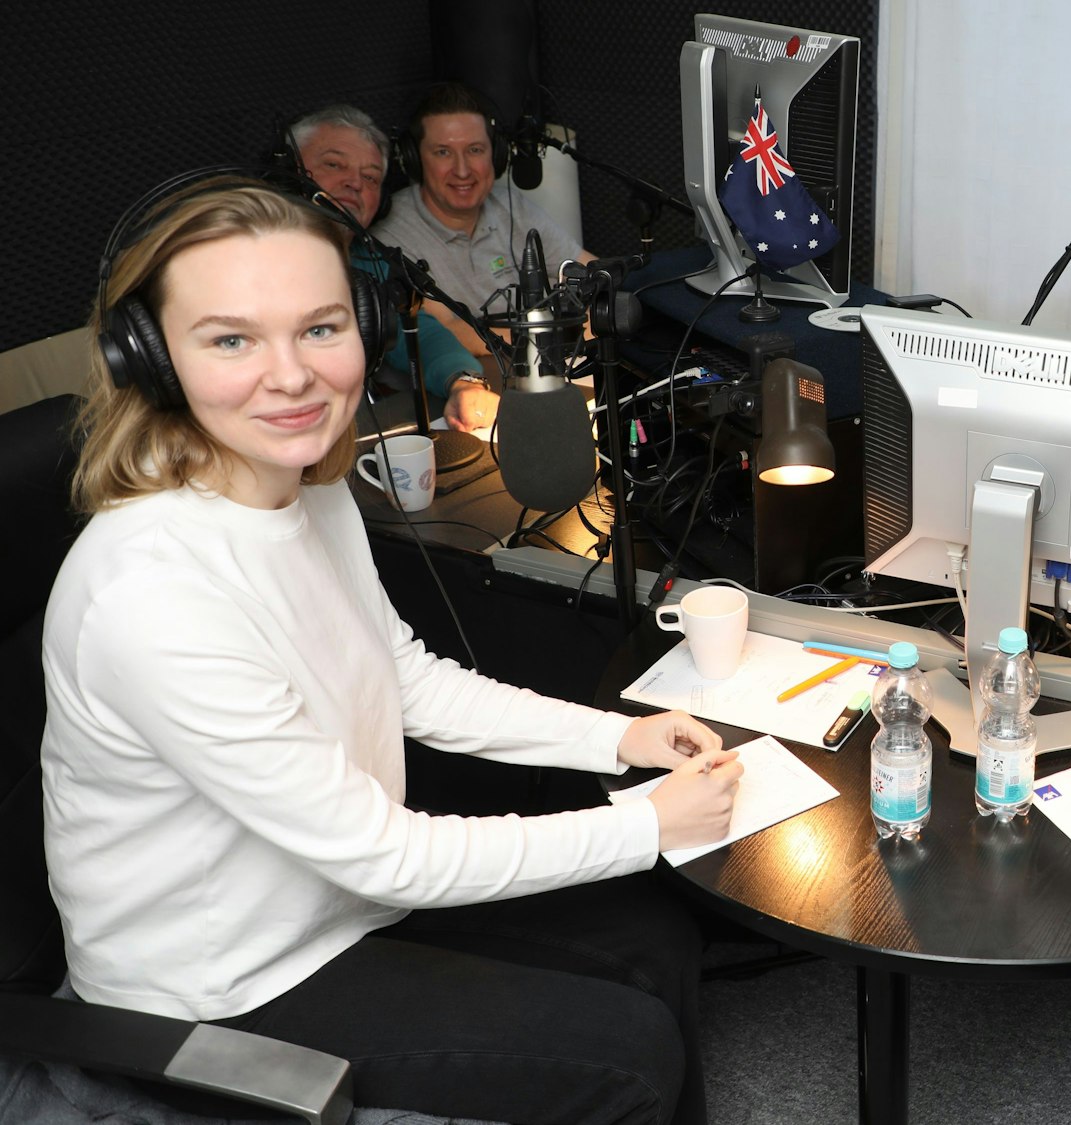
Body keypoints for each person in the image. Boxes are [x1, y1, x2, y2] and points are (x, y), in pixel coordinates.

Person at [46, 177, 738, 1124]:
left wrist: (621, 742)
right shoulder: (152, 595)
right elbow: (386, 857)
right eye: (231, 339)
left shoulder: (305, 487)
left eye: (320, 328)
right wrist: (651, 824)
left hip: (339, 905)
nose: (291, 376)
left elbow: (406, 681)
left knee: (651, 933)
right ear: (153, 357)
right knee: (626, 1052)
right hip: (221, 988)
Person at [290, 102, 500, 431]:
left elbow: (414, 331)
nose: (355, 183)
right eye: (334, 164)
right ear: (290, 174)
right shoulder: (246, 261)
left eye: (370, 177)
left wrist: (464, 382)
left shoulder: (368, 262)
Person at [372, 81, 594, 358]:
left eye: (475, 150)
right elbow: (446, 331)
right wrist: (567, 334)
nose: (462, 170)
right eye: (443, 152)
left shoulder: (511, 206)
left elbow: (592, 272)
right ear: (414, 160)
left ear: (497, 156)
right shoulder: (393, 233)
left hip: (534, 362)